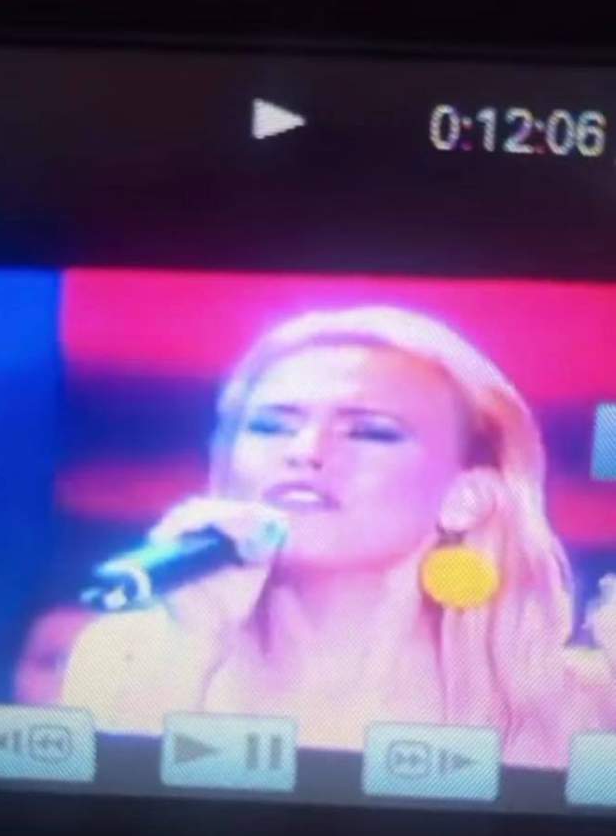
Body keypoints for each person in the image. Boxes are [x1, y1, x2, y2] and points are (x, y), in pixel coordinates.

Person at [62, 305, 616, 769]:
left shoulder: (568, 700)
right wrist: (189, 651)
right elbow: (108, 835)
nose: (304, 451)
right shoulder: (127, 657)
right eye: (270, 426)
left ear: (464, 497)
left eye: (370, 432)